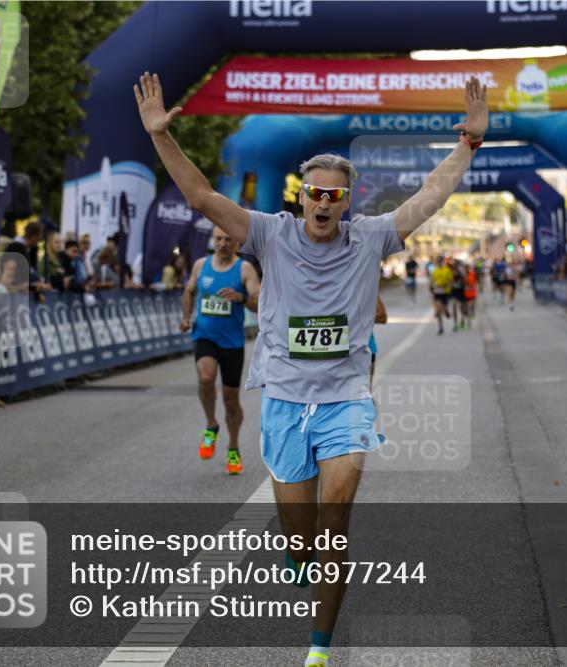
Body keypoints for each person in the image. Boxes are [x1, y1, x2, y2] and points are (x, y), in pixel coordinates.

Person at [136, 69, 488, 667]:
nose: (323, 202)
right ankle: (304, 563)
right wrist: (160, 136)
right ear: (300, 195)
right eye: (314, 193)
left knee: (336, 515)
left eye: (334, 195)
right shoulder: (268, 235)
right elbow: (201, 198)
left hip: (346, 398)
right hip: (282, 402)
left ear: (346, 201)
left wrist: (469, 144)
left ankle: (318, 651)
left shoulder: (371, 238)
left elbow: (429, 197)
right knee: (298, 535)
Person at [180, 226, 261, 475]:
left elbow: (259, 304)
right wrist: (186, 317)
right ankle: (211, 424)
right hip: (205, 336)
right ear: (213, 240)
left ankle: (233, 447)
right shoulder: (200, 265)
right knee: (205, 377)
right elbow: (189, 291)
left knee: (230, 399)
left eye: (228, 239)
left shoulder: (244, 269)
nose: (223, 243)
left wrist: (240, 299)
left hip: (232, 342)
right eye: (218, 239)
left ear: (236, 243)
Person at [430, 256, 454, 336]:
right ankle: (440, 327)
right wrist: (432, 288)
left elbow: (451, 280)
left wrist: (446, 285)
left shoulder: (447, 270)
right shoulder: (434, 271)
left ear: (442, 261)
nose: (439, 262)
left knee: (443, 308)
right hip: (437, 292)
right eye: (437, 261)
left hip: (446, 292)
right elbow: (432, 282)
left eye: (440, 261)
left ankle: (446, 310)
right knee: (438, 310)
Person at [368, 295, 387, 388]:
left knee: (363, 394)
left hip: (364, 349)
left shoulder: (364, 286)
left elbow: (382, 316)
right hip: (322, 349)